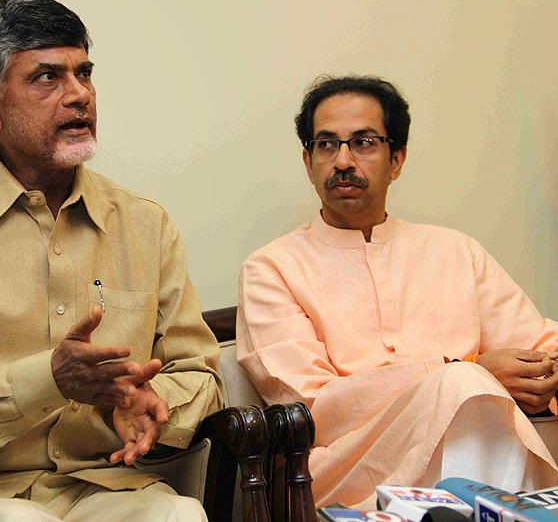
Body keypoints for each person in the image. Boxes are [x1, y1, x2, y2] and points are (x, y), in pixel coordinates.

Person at [0, 0, 223, 521]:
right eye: (47, 77)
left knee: (176, 516)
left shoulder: (144, 223)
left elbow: (200, 374)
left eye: (84, 73)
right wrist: (45, 381)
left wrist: (145, 403)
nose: (79, 96)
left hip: (105, 485)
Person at [236, 75, 558, 509]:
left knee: (473, 393)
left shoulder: (455, 250)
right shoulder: (272, 268)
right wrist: (470, 370)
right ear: (308, 160)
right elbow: (315, 405)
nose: (343, 160)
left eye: (364, 142)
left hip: (476, 437)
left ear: (397, 159)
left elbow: (538, 343)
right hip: (344, 465)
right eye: (327, 144)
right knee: (466, 385)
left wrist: (543, 375)